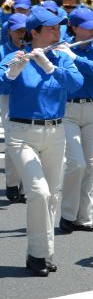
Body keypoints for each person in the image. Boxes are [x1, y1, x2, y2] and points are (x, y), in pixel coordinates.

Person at [0, 6, 83, 276]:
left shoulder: (61, 57)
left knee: (51, 196)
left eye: (58, 27)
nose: (56, 32)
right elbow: (1, 81)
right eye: (50, 28)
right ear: (34, 33)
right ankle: (38, 254)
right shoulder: (15, 56)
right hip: (21, 132)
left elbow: (75, 82)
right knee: (38, 192)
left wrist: (51, 67)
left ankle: (43, 253)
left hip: (55, 131)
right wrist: (12, 72)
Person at [58, 8, 93, 234]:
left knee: (90, 166)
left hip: (92, 109)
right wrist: (68, 55)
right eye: (88, 27)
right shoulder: (61, 49)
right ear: (74, 28)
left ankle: (84, 217)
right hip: (68, 110)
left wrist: (76, 59)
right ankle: (67, 214)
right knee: (76, 163)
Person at [0, 13, 28, 203]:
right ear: (9, 31)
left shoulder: (33, 48)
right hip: (8, 98)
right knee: (13, 141)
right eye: (18, 30)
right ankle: (12, 182)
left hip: (28, 97)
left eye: (24, 30)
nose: (21, 34)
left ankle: (26, 187)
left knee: (32, 143)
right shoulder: (3, 51)